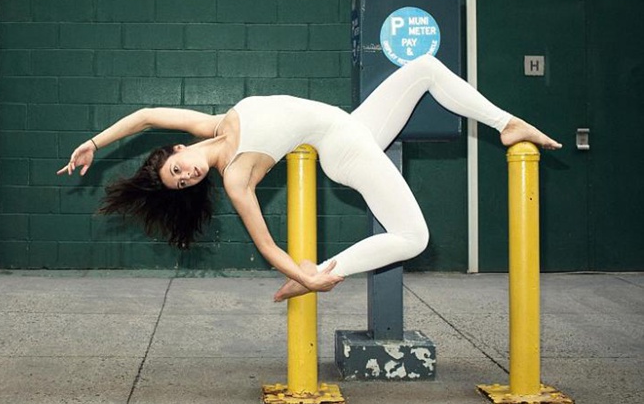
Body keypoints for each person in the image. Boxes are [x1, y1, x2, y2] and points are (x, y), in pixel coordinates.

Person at [57, 54, 561, 301]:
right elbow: (269, 245)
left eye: (176, 170)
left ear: (177, 150)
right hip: (342, 148)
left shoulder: (210, 124)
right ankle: (324, 272)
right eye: (184, 184)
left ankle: (504, 122)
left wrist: (95, 143)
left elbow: (145, 115)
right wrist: (301, 275)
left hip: (352, 123)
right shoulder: (236, 178)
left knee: (425, 67)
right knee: (415, 237)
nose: (187, 176)